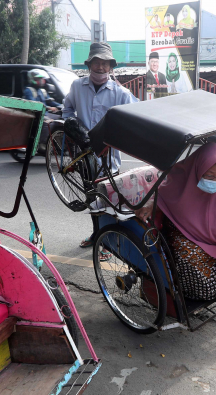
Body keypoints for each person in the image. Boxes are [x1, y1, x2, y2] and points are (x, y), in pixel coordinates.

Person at [136, 143, 216, 356]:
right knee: (200, 276)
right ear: (198, 169)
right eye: (210, 175)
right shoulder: (181, 178)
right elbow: (162, 198)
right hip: (186, 236)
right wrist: (149, 205)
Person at [62, 42, 138, 252]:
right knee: (91, 200)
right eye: (97, 62)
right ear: (90, 64)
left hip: (109, 159)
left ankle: (107, 244)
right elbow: (67, 109)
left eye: (105, 63)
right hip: (84, 157)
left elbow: (137, 114)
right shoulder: (77, 87)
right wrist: (73, 127)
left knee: (109, 203)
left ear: (110, 67)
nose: (101, 67)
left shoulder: (120, 93)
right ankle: (97, 235)